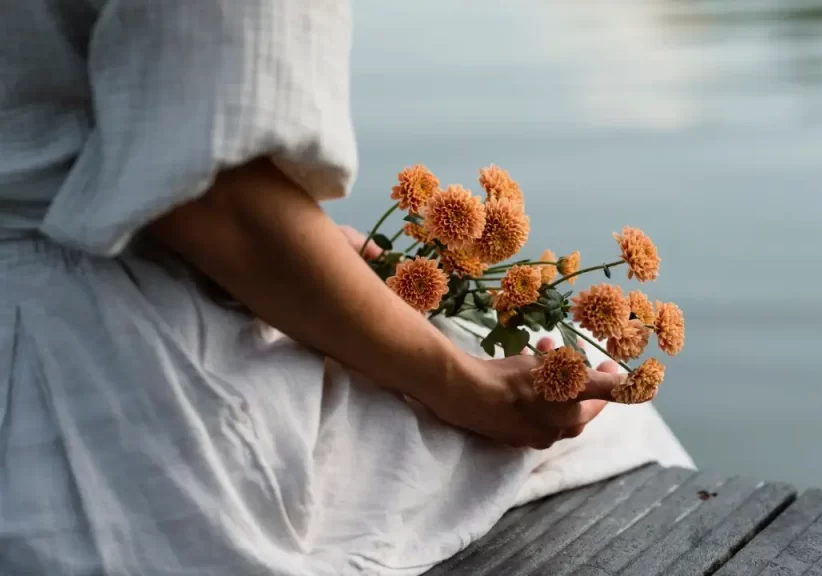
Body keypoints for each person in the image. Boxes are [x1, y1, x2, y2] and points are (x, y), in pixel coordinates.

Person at [0, 2, 693, 574]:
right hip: (93, 396)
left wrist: (312, 241)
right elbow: (211, 200)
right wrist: (470, 387)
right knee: (612, 423)